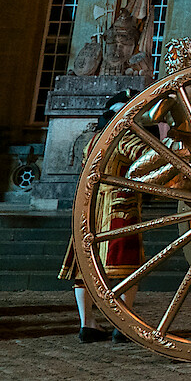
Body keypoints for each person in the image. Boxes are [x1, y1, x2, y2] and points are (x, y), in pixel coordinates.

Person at [58, 90, 136, 343]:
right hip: (119, 206)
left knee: (85, 267)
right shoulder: (127, 139)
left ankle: (87, 323)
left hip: (89, 207)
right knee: (126, 267)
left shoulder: (92, 140)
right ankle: (122, 324)